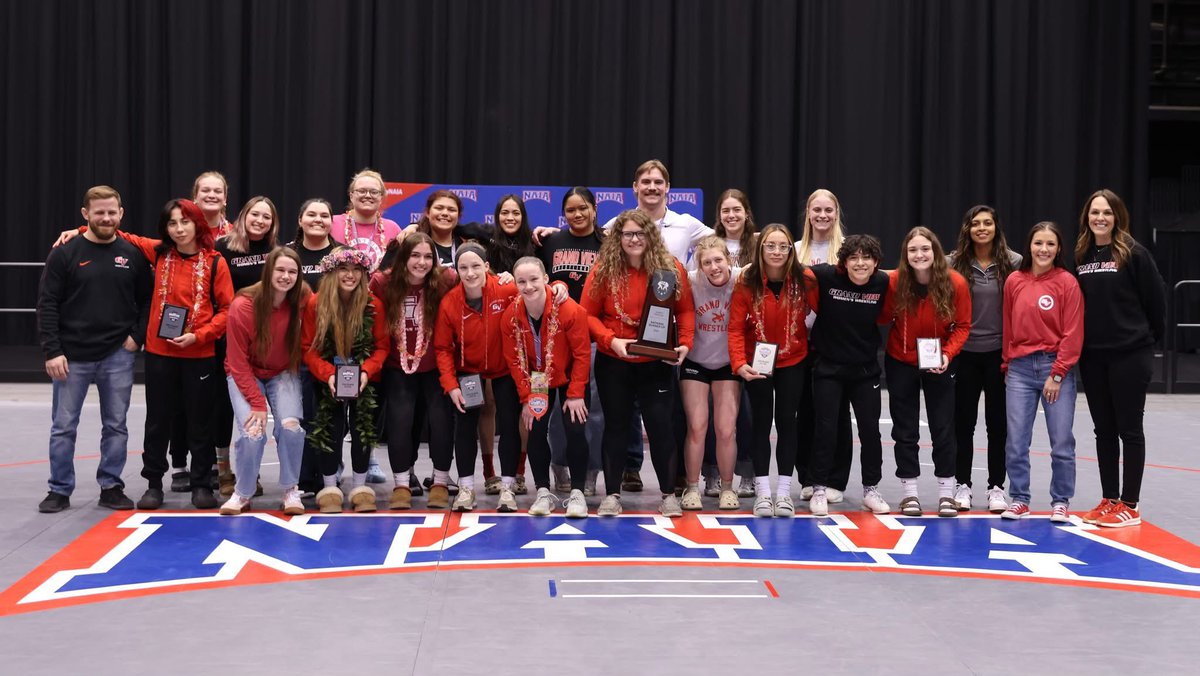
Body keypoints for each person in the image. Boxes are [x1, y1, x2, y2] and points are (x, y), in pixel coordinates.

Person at [59, 198, 237, 509]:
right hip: (159, 353)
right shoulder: (157, 252)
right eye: (172, 223)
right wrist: (80, 229)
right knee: (157, 421)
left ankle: (200, 484)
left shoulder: (215, 262)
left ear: (197, 224)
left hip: (199, 354)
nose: (179, 229)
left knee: (200, 422)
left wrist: (200, 335)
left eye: (185, 221)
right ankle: (154, 483)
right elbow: (121, 233)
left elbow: (227, 311)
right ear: (165, 228)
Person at [36, 186, 151, 513]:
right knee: (63, 427)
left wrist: (136, 337)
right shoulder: (65, 253)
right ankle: (59, 489)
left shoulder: (132, 254)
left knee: (116, 425)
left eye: (112, 212)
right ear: (85, 214)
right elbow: (47, 305)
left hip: (118, 354)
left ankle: (111, 486)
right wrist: (52, 350)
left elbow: (147, 300)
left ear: (121, 213)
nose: (106, 218)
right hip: (71, 357)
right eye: (99, 212)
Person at [581, 209, 694, 517]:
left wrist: (685, 342)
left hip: (656, 362)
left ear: (651, 236)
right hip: (613, 360)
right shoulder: (603, 270)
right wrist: (610, 341)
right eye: (627, 234)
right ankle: (612, 495)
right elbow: (586, 315)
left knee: (661, 428)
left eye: (640, 234)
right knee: (615, 427)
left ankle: (669, 494)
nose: (633, 240)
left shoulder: (670, 269)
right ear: (618, 238)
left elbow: (684, 310)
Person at [1075, 189, 1167, 528]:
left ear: (1117, 216)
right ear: (1087, 216)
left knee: (1129, 429)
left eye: (1107, 212)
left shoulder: (1134, 253)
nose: (1100, 218)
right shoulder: (1082, 253)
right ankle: (1109, 498)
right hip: (1094, 357)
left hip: (1130, 354)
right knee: (1104, 430)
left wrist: (1146, 341)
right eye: (1094, 212)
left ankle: (1130, 504)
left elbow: (1156, 303)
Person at [882, 226, 971, 517]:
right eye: (912, 250)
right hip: (900, 361)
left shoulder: (955, 282)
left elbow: (963, 325)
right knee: (904, 429)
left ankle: (947, 492)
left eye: (924, 249)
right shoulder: (894, 282)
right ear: (905, 255)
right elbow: (881, 316)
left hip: (939, 362)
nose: (919, 255)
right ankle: (910, 494)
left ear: (935, 251)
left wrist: (948, 354)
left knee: (943, 427)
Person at [728, 224, 815, 517]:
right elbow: (736, 327)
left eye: (783, 246)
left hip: (794, 360)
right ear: (760, 248)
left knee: (787, 423)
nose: (777, 252)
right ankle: (763, 493)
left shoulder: (806, 279)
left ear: (791, 250)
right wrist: (740, 363)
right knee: (761, 424)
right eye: (770, 246)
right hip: (758, 364)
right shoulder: (746, 280)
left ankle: (784, 493)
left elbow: (826, 312)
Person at [999, 221, 1084, 521]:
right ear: (1029, 246)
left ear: (1058, 248)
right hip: (1020, 370)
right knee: (1016, 441)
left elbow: (1073, 334)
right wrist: (1008, 364)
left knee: (1061, 441)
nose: (1043, 249)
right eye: (1038, 243)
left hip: (1054, 367)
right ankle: (1019, 498)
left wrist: (1058, 374)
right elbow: (1008, 325)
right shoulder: (1014, 281)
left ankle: (1060, 500)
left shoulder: (1066, 282)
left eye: (1050, 244)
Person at [219, 247, 311, 516]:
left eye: (292, 272)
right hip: (245, 372)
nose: (286, 276)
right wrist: (257, 403)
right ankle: (242, 493)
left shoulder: (303, 297)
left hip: (283, 371)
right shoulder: (243, 305)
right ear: (268, 270)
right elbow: (236, 362)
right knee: (253, 430)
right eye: (280, 270)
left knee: (291, 427)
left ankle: (291, 489)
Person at [805, 234, 891, 516]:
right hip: (829, 367)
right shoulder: (826, 276)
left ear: (876, 262)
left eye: (866, 257)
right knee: (825, 428)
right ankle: (819, 487)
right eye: (853, 257)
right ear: (843, 262)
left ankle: (871, 489)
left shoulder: (882, 282)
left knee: (870, 430)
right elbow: (794, 270)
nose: (860, 263)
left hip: (865, 370)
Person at [434, 243, 523, 512]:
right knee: (465, 428)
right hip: (467, 371)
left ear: (486, 266)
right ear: (456, 270)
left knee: (508, 425)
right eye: (463, 267)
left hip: (504, 368)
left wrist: (557, 286)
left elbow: (535, 290)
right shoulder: (450, 302)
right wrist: (450, 386)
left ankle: (507, 488)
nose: (470, 273)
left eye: (476, 266)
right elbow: (442, 348)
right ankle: (466, 488)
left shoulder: (507, 289)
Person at [371, 233, 456, 510]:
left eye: (428, 256)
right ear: (403, 257)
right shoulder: (383, 283)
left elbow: (482, 277)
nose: (421, 262)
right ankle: (401, 484)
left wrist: (503, 276)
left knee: (441, 421)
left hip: (435, 366)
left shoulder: (445, 280)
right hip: (398, 365)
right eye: (415, 255)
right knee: (400, 421)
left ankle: (441, 482)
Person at [301, 248, 389, 513]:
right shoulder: (316, 304)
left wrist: (366, 371)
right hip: (327, 376)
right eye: (343, 269)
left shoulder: (374, 304)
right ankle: (330, 488)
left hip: (365, 377)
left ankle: (360, 487)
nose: (350, 275)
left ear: (363, 274)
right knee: (330, 426)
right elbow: (308, 348)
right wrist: (328, 374)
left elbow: (382, 346)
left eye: (356, 270)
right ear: (331, 272)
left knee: (363, 428)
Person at [502, 257, 592, 517]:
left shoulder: (570, 310)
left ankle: (577, 493)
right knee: (535, 429)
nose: (528, 286)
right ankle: (543, 492)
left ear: (545, 279)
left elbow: (583, 355)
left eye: (533, 280)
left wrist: (575, 394)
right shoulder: (511, 316)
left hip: (569, 374)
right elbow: (514, 361)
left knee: (575, 427)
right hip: (538, 378)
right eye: (521, 281)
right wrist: (527, 396)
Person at [947, 205, 1021, 513]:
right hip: (964, 355)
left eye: (987, 223)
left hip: (999, 357)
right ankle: (962, 485)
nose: (981, 228)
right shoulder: (953, 262)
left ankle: (996, 487)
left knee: (998, 425)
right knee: (963, 424)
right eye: (975, 223)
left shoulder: (1014, 262)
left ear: (996, 227)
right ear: (967, 228)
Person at [212, 196, 281, 497]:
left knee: (250, 414)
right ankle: (223, 469)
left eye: (267, 217)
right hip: (225, 336)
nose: (260, 221)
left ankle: (248, 474)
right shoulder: (222, 248)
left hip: (262, 341)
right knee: (220, 408)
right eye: (255, 214)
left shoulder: (277, 252)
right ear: (244, 215)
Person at [538, 187, 606, 495]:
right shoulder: (551, 241)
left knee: (591, 411)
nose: (577, 214)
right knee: (554, 412)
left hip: (592, 337)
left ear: (594, 208)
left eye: (582, 208)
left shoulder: (607, 244)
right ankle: (559, 465)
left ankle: (590, 469)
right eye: (570, 210)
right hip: (553, 339)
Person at [794, 188, 853, 506]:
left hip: (836, 346)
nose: (822, 216)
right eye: (816, 209)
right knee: (805, 412)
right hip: (800, 345)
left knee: (837, 415)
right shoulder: (794, 250)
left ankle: (834, 479)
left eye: (828, 210)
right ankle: (807, 477)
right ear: (808, 212)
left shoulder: (847, 250)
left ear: (837, 212)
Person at [681, 236, 741, 511]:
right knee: (697, 426)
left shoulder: (742, 278)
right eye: (707, 262)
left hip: (729, 364)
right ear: (700, 266)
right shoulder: (691, 280)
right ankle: (692, 487)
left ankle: (727, 488)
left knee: (726, 429)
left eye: (718, 260)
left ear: (729, 259)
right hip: (695, 361)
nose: (714, 267)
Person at [332, 168, 402, 272]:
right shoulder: (333, 223)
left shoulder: (393, 228)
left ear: (381, 198)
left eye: (374, 192)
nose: (368, 195)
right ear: (351, 196)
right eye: (361, 191)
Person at [289, 198, 338, 292]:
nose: (318, 220)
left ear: (331, 222)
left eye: (324, 216)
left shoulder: (345, 254)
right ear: (300, 220)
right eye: (311, 215)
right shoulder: (286, 253)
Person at [712, 189, 757, 266]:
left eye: (737, 210)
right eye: (726, 211)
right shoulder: (708, 246)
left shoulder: (758, 246)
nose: (731, 215)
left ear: (746, 214)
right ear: (719, 216)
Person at [193, 171, 232, 239]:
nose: (211, 195)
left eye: (218, 191)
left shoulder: (234, 235)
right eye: (205, 190)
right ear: (195, 197)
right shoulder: (183, 232)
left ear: (225, 199)